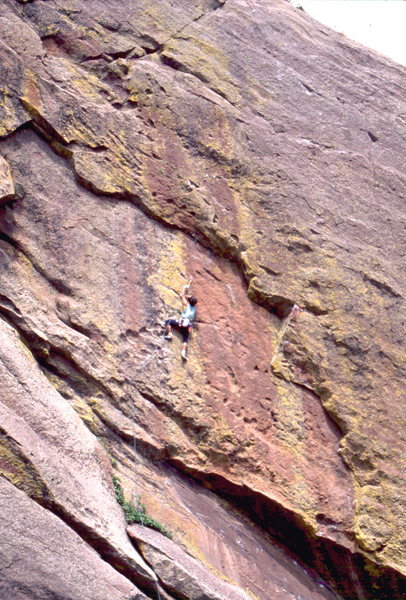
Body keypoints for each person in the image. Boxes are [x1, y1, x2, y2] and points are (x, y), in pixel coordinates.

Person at [164, 279, 197, 361]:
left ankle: (170, 334)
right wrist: (188, 296)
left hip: (181, 323)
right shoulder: (194, 308)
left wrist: (185, 288)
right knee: (185, 338)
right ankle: (183, 352)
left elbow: (182, 295)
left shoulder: (186, 305)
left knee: (168, 322)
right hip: (187, 326)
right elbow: (190, 299)